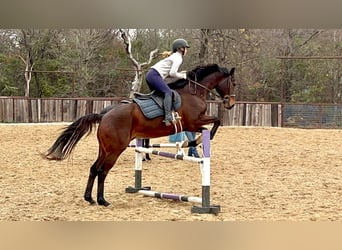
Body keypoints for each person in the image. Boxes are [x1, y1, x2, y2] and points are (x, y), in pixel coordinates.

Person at [146, 38, 190, 126]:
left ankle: (156, 116)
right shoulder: (178, 58)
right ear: (181, 49)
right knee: (168, 93)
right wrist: (183, 76)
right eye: (186, 48)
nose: (187, 50)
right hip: (154, 75)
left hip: (151, 75)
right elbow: (172, 73)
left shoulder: (174, 56)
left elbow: (169, 74)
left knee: (159, 95)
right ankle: (168, 117)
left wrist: (179, 73)